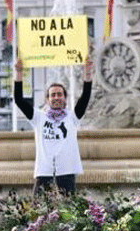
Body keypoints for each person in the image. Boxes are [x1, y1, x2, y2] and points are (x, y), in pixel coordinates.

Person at [14, 57, 93, 196]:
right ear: (47, 99)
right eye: (53, 95)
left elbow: (85, 97)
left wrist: (87, 73)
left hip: (66, 171)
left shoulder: (72, 117)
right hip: (44, 171)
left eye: (59, 95)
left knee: (69, 211)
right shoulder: (38, 117)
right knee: (38, 211)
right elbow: (19, 100)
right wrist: (18, 73)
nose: (56, 97)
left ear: (65, 98)